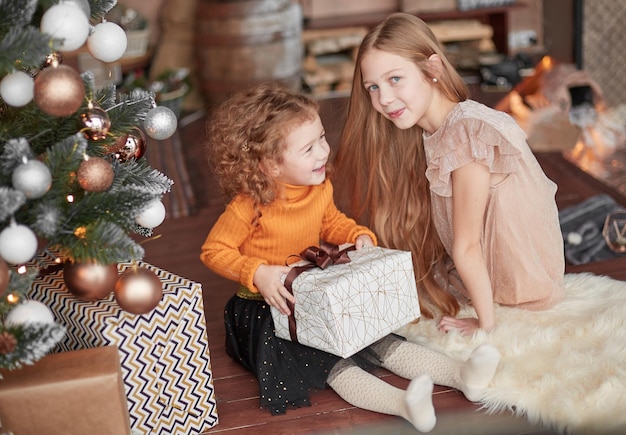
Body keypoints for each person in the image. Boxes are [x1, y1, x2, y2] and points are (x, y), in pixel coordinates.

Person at [200, 83, 501, 432]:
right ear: (269, 166)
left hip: (314, 290)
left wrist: (356, 235)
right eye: (308, 148)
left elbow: (331, 222)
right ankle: (402, 404)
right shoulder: (248, 206)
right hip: (270, 307)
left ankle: (463, 376)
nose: (322, 152)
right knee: (333, 363)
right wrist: (259, 272)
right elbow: (214, 251)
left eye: (322, 139)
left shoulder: (319, 187)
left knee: (378, 341)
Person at [334, 13, 565, 337]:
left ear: (433, 69)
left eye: (395, 79)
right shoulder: (442, 130)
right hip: (495, 272)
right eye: (372, 86)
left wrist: (484, 325)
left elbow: (467, 246)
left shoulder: (466, 134)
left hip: (521, 286)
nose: (383, 99)